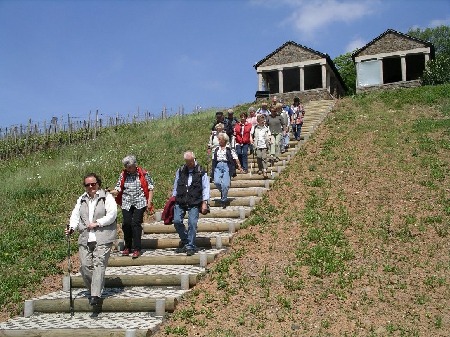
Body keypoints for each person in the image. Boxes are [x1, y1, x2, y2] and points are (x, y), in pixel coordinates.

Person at [65, 173, 117, 306]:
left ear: (98, 184)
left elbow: (112, 215)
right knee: (84, 266)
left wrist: (98, 223)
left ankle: (95, 295)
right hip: (85, 237)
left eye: (93, 184)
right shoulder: (81, 199)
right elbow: (75, 216)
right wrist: (71, 228)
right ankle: (93, 289)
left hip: (103, 236)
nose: (90, 187)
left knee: (99, 264)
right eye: (87, 185)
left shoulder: (107, 197)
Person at [110, 155, 154, 258]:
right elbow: (118, 189)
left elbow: (150, 188)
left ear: (135, 165)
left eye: (129, 166)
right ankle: (127, 246)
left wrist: (149, 202)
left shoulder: (143, 174)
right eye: (126, 166)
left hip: (140, 201)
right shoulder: (123, 174)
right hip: (127, 202)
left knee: (136, 224)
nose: (127, 168)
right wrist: (110, 192)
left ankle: (137, 248)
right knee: (126, 224)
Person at [171, 151, 210, 256]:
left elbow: (206, 187)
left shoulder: (201, 171)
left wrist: (205, 202)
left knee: (192, 223)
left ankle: (190, 246)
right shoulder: (180, 170)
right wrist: (173, 198)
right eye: (187, 162)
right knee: (176, 221)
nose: (189, 164)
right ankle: (187, 241)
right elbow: (176, 185)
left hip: (195, 201)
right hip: (180, 200)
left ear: (194, 159)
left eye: (190, 162)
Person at [211, 133, 243, 208]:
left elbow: (235, 158)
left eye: (220, 139)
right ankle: (224, 191)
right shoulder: (216, 149)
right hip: (218, 166)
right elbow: (213, 159)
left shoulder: (229, 149)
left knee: (225, 184)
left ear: (224, 140)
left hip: (227, 166)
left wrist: (239, 166)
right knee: (216, 182)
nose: (218, 141)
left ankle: (224, 200)